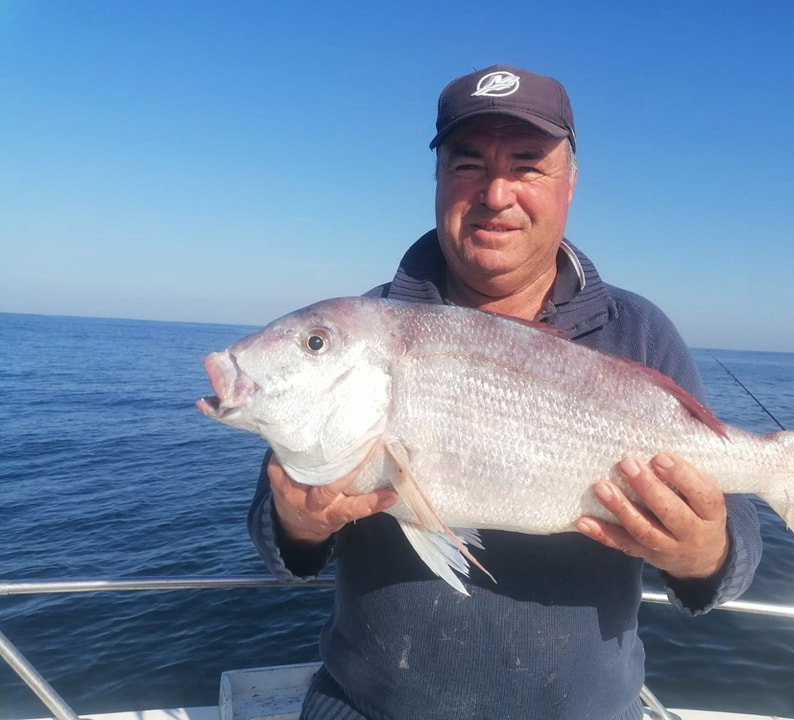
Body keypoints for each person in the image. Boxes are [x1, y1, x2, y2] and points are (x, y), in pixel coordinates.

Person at [248, 64, 762, 720]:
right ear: (436, 180)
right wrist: (296, 523)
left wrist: (702, 553)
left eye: (527, 165)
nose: (496, 193)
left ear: (570, 184)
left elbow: (731, 545)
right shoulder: (358, 332)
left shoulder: (639, 332)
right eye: (468, 164)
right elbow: (276, 538)